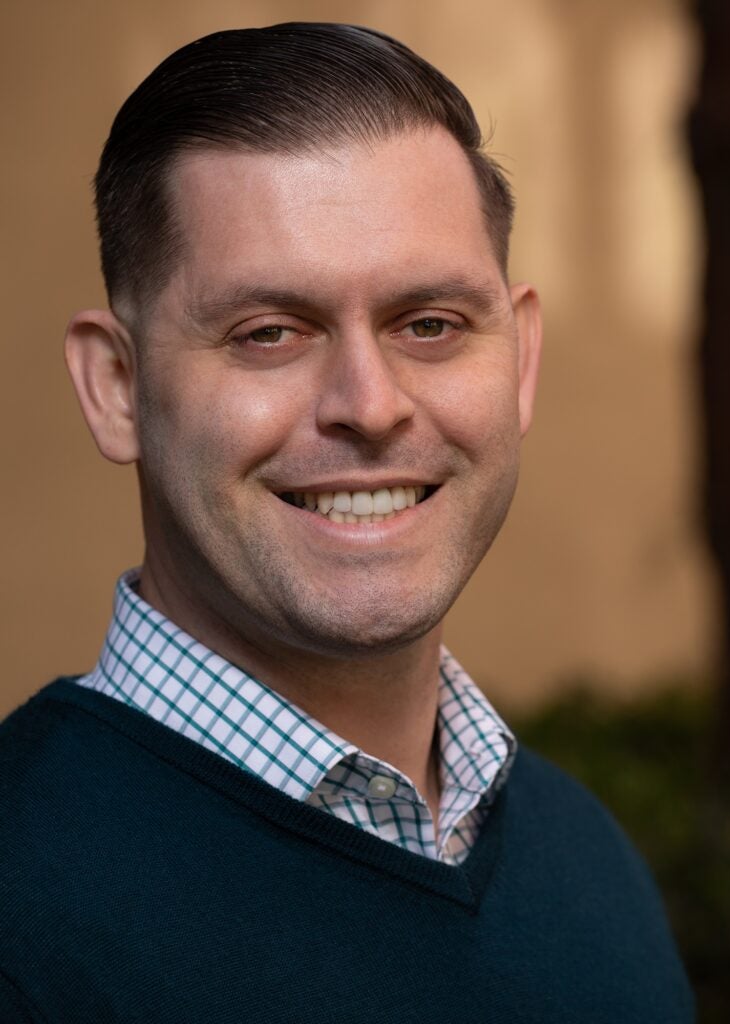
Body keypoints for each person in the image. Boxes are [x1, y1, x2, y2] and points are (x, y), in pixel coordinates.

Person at [0, 23, 693, 1023]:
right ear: (117, 386)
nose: (370, 404)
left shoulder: (587, 862)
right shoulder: (25, 917)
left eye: (430, 324)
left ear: (521, 359)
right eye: (269, 333)